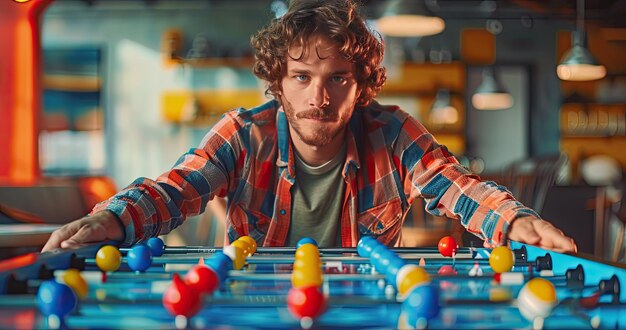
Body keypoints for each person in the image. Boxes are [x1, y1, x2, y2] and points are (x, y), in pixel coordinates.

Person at [42, 0, 576, 253]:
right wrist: (112, 218)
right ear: (279, 80)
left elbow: (458, 186)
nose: (319, 97)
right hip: (252, 307)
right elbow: (176, 189)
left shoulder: (393, 133)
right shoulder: (242, 134)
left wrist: (513, 222)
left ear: (362, 84)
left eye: (339, 78)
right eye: (302, 76)